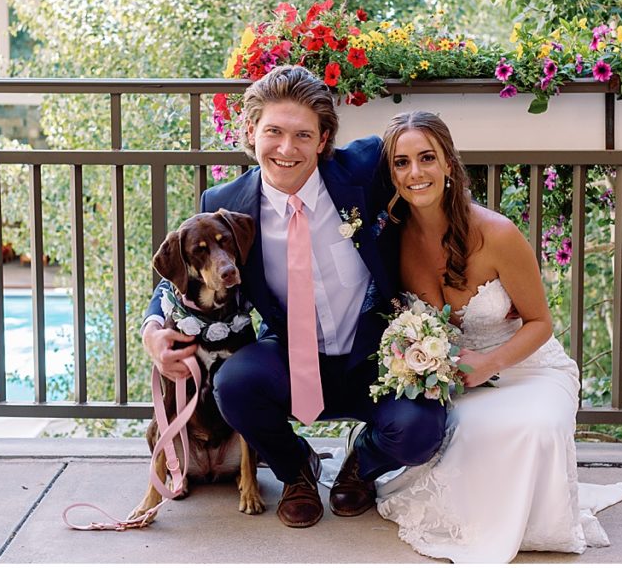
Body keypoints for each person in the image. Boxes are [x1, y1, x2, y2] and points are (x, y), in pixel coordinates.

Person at [141, 66, 446, 529]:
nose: (287, 149)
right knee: (234, 384)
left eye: (303, 134)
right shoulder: (226, 204)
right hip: (290, 359)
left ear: (323, 140)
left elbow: (426, 170)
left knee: (422, 428)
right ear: (251, 132)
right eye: (274, 132)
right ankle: (296, 469)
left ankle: (360, 465)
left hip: (375, 357)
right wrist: (151, 331)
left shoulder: (366, 170)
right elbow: (178, 276)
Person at [372, 110, 622, 562]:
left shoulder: (497, 234)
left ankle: (534, 524)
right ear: (391, 173)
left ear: (449, 163)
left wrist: (488, 364)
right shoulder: (394, 238)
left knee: (535, 427)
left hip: (527, 365)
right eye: (401, 162)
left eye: (426, 158)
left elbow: (540, 323)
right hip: (452, 374)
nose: (415, 173)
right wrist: (419, 357)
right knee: (470, 429)